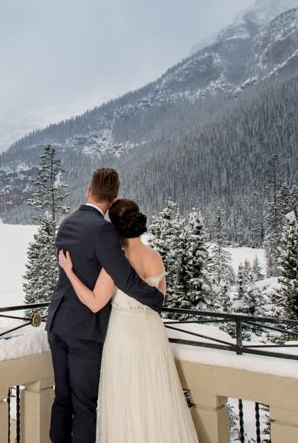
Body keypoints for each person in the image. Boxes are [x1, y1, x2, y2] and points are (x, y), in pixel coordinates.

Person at [59, 199, 199, 442]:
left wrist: (69, 272)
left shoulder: (116, 262)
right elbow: (160, 297)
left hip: (123, 335)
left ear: (114, 227)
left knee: (125, 398)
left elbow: (94, 302)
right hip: (153, 334)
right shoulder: (155, 256)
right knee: (156, 395)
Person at [45, 168, 164, 443]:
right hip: (84, 330)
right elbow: (125, 278)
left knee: (62, 398)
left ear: (88, 190)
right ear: (114, 198)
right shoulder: (104, 231)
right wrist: (155, 299)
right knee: (84, 405)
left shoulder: (67, 222)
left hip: (57, 324)